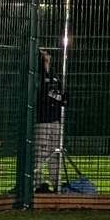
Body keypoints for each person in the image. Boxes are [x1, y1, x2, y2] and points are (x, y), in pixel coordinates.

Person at [33, 50, 65, 192]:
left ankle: (57, 183)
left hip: (55, 120)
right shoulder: (36, 76)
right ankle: (39, 184)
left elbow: (63, 96)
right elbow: (42, 94)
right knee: (40, 153)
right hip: (43, 120)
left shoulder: (54, 75)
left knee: (55, 153)